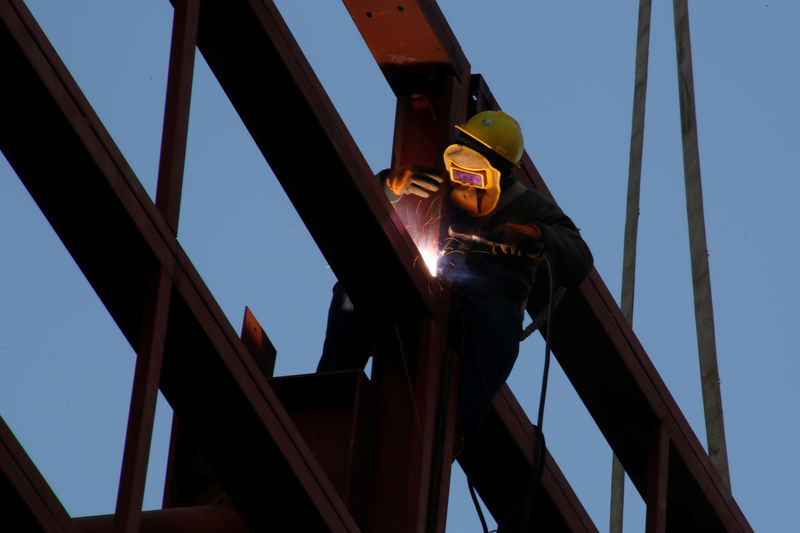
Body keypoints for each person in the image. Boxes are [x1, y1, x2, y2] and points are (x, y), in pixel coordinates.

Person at [317, 110, 593, 453]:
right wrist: (387, 186)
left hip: (471, 325)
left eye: (473, 174)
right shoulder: (429, 184)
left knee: (500, 320)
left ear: (500, 172)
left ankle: (457, 428)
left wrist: (535, 234)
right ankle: (332, 386)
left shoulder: (531, 207)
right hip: (415, 299)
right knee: (353, 289)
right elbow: (357, 213)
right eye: (456, 167)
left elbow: (580, 258)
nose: (461, 180)